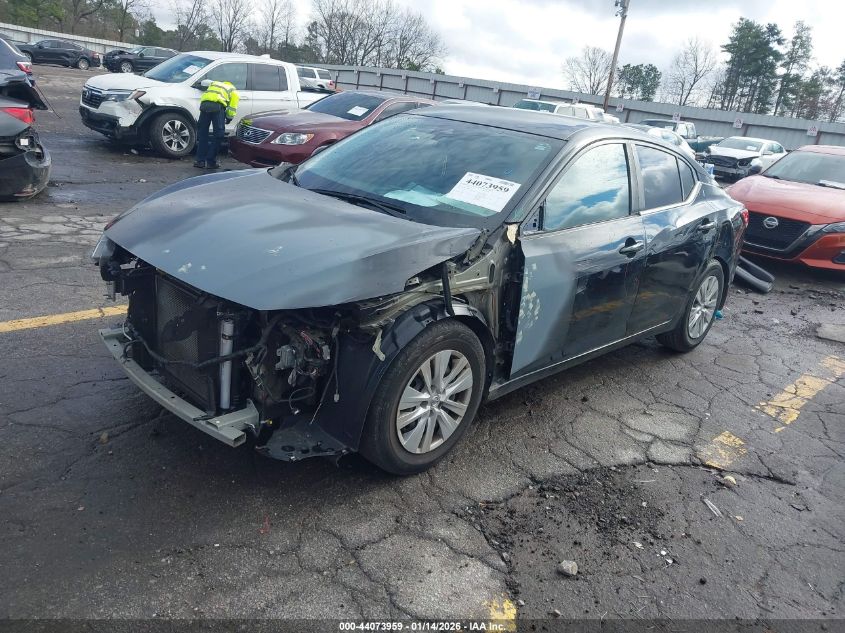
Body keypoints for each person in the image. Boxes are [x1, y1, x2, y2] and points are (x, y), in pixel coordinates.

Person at [194, 80, 239, 169]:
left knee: (203, 134)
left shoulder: (214, 84)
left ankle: (200, 161)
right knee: (219, 135)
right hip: (217, 107)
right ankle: (211, 162)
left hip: (204, 106)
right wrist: (229, 118)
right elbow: (232, 108)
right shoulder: (233, 90)